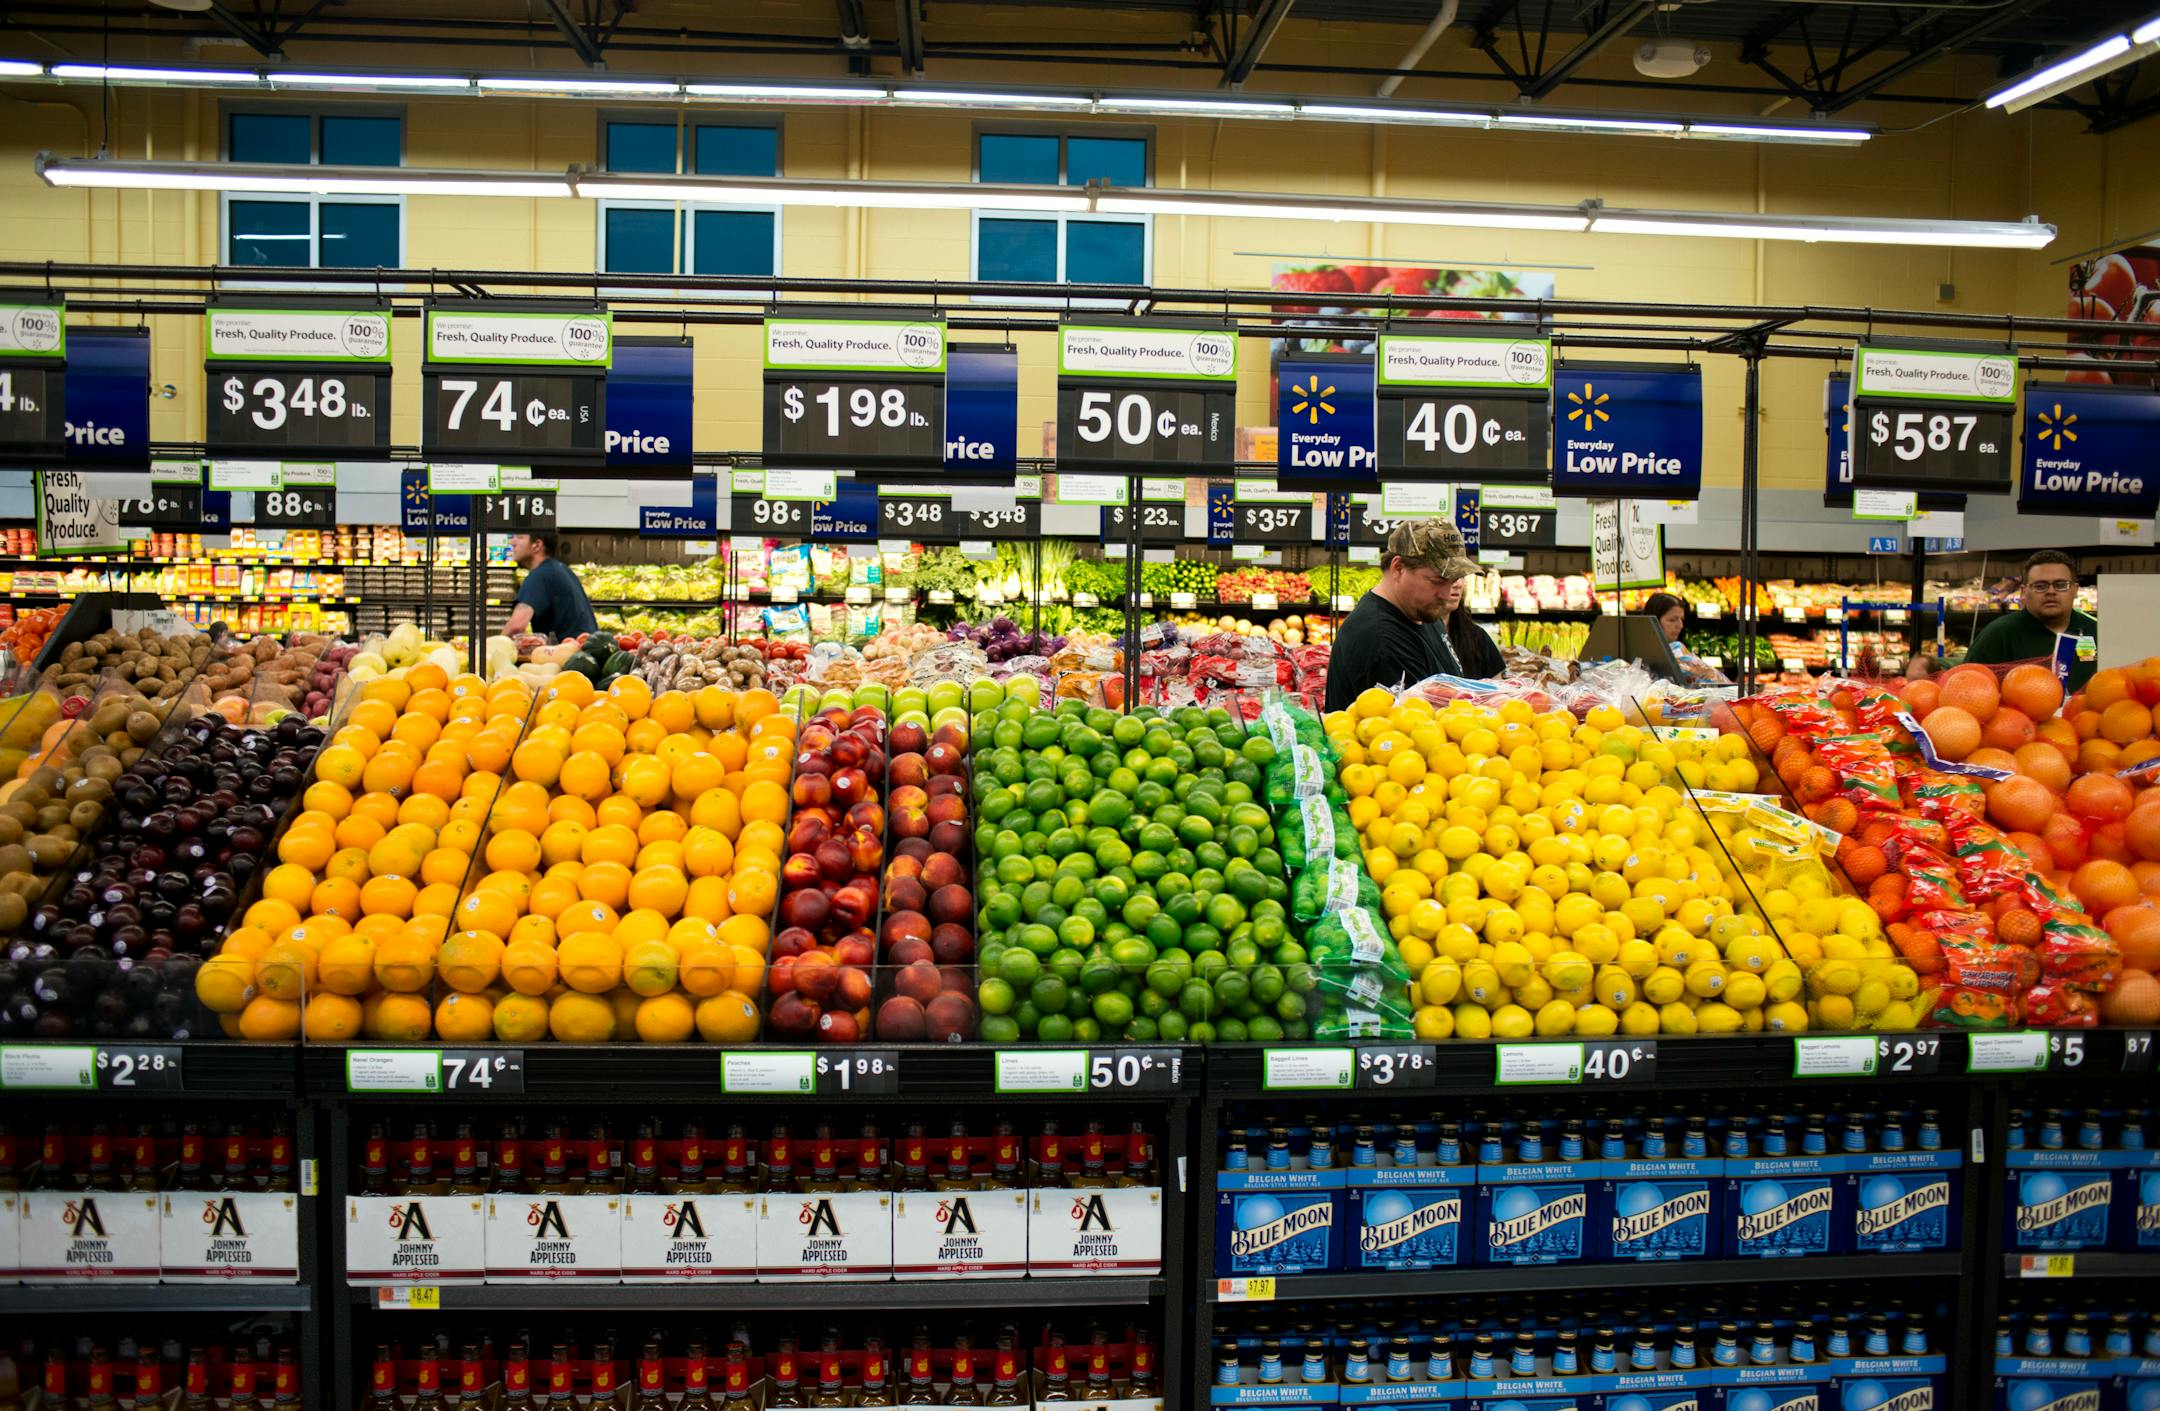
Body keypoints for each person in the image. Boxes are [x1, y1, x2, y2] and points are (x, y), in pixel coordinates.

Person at [1324, 521, 1482, 712]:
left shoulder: (1421, 610)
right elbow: (1415, 729)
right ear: (1398, 568)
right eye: (1437, 581)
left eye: (1454, 580)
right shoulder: (1381, 639)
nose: (1447, 593)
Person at [1964, 550, 2099, 690]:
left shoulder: (2096, 630)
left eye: (2060, 585)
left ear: (2075, 590)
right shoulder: (1998, 635)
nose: (2051, 591)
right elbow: (1966, 689)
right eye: (2040, 586)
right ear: (2023, 592)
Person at [503, 530, 597, 642]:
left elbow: (516, 626)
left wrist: (491, 649)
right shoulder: (559, 569)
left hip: (569, 653)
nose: (512, 542)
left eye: (519, 537)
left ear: (537, 545)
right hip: (584, 650)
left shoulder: (540, 575)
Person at [1429, 563, 1503, 682]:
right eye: (1448, 576)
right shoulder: (1413, 634)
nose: (1457, 584)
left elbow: (1498, 687)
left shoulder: (1477, 637)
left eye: (1461, 576)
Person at [1645, 590, 1728, 685]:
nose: (1680, 625)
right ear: (1653, 620)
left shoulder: (1677, 650)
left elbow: (1716, 679)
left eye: (1682, 619)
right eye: (1672, 620)